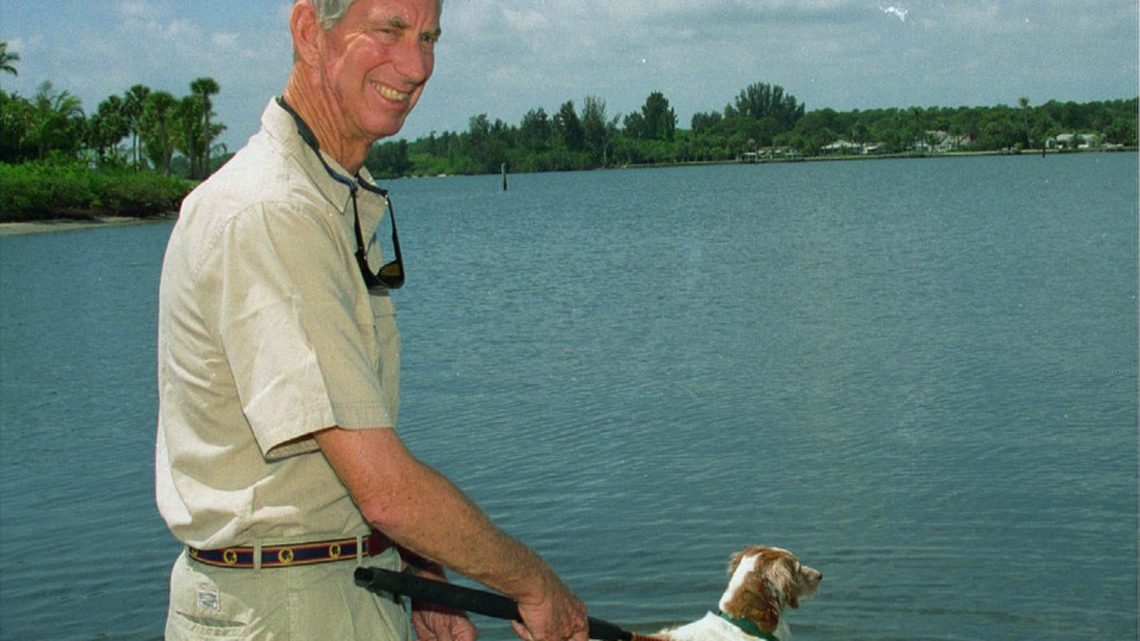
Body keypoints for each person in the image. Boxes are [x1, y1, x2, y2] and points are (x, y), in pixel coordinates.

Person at [154, 1, 590, 640]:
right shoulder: (271, 212)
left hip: (343, 585)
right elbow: (383, 488)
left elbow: (339, 460)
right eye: (388, 30)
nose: (416, 66)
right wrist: (533, 583)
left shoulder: (330, 197)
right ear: (310, 32)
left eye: (429, 37)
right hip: (284, 611)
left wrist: (421, 570)